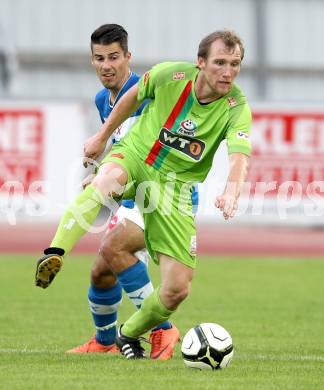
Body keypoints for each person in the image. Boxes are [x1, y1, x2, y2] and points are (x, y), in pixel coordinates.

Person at [35, 29, 251, 359]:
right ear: (201, 62)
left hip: (171, 190)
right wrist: (101, 143)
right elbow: (130, 114)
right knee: (103, 250)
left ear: (127, 58)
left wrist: (232, 191)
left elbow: (239, 155)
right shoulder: (149, 82)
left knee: (173, 285)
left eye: (234, 64)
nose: (228, 71)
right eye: (220, 62)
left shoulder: (235, 106)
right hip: (137, 159)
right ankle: (55, 253)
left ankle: (134, 333)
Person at [35, 24, 183, 360]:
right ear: (92, 61)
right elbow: (121, 144)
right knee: (101, 271)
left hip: (160, 193)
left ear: (128, 57)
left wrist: (105, 177)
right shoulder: (103, 99)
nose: (106, 64)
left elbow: (146, 148)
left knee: (113, 247)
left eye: (114, 57)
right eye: (99, 58)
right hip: (131, 194)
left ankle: (163, 330)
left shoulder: (145, 91)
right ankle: (104, 342)